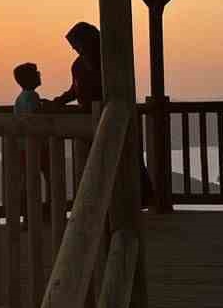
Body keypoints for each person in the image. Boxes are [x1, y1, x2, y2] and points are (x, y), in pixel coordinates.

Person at [51, 21, 154, 206]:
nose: (75, 49)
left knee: (127, 162)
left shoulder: (109, 61)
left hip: (114, 120)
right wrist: (58, 101)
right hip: (91, 122)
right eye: (73, 47)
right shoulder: (77, 65)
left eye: (77, 45)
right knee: (98, 167)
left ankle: (136, 202)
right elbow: (74, 90)